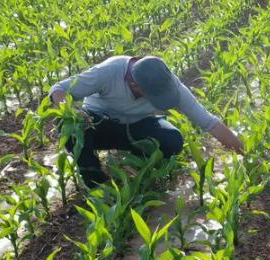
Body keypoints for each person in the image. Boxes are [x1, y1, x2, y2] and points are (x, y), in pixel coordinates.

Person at [49, 55, 244, 187]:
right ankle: (96, 182)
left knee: (173, 140)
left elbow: (210, 123)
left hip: (137, 128)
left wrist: (245, 153)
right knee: (68, 124)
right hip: (101, 125)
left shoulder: (169, 85)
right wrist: (73, 111)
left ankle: (136, 165)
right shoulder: (109, 71)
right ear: (133, 83)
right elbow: (58, 90)